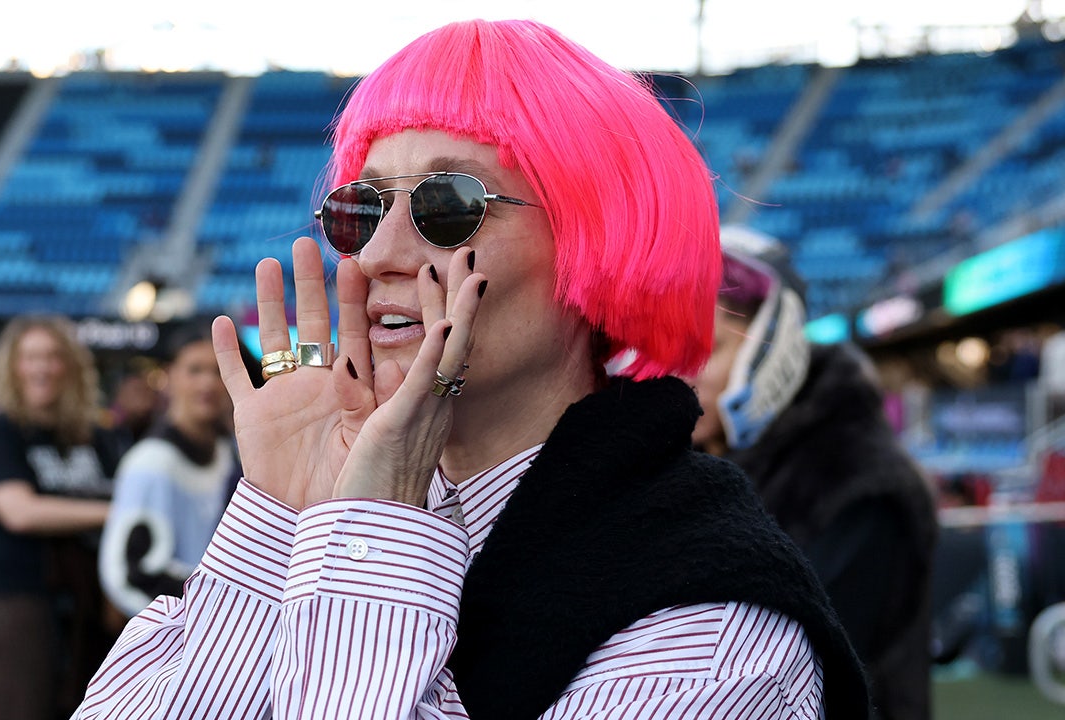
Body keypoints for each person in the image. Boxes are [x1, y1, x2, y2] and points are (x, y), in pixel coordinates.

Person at [74, 19, 869, 720]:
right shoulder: (342, 495)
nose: (377, 254)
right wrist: (283, 511)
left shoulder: (711, 631)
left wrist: (372, 535)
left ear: (595, 245)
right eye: (361, 207)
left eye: (447, 205)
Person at [689, 225, 937, 720]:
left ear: (771, 351)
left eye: (707, 350)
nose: (680, 372)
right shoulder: (694, 464)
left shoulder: (859, 484)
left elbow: (786, 680)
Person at [0, 315, 121, 720]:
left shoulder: (96, 438)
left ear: (71, 367)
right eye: (30, 357)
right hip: (20, 606)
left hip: (92, 608)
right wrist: (115, 513)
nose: (42, 368)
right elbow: (19, 512)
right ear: (13, 367)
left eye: (53, 357)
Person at [97, 325, 260, 616]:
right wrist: (190, 623)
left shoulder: (229, 453)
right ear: (169, 375)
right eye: (194, 370)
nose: (208, 383)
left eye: (218, 371)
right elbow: (128, 575)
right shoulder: (151, 463)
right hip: (186, 630)